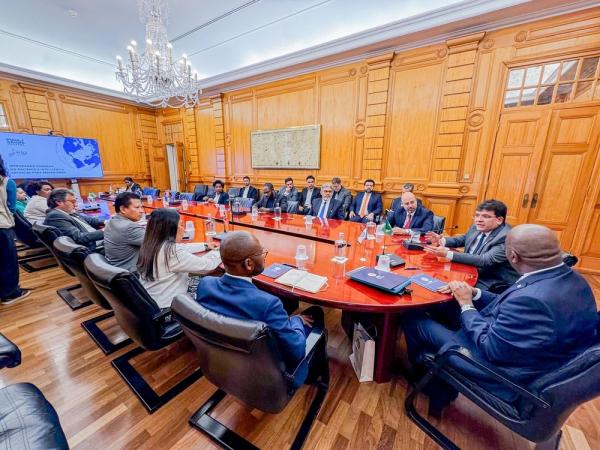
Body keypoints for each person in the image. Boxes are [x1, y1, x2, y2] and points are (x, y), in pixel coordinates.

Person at [403, 224, 599, 405]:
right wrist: (475, 293)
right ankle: (438, 377)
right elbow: (509, 303)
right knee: (443, 306)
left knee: (414, 317)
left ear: (512, 256)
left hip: (501, 370)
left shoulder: (531, 299)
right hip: (531, 350)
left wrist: (466, 305)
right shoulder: (575, 280)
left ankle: (427, 381)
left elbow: (490, 347)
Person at [196, 231, 327, 388]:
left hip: (222, 362)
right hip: (269, 377)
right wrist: (295, 321)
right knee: (315, 312)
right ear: (249, 264)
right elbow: (297, 350)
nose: (264, 256)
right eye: (261, 253)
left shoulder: (205, 284)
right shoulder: (268, 304)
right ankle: (314, 377)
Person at [424, 199, 519, 291]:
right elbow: (464, 239)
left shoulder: (506, 237)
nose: (479, 220)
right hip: (468, 271)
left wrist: (447, 254)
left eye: (485, 216)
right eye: (477, 215)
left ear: (499, 220)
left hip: (490, 281)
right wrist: (441, 240)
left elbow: (485, 260)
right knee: (433, 278)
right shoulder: (476, 226)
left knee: (446, 291)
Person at [137, 208, 221, 308]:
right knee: (213, 286)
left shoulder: (151, 244)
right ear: (170, 229)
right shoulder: (171, 251)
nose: (184, 229)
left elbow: (182, 248)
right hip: (170, 308)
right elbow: (207, 266)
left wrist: (206, 245)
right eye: (181, 225)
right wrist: (220, 250)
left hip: (152, 301)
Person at [0, 156, 31, 304]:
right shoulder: (6, 182)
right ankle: (11, 293)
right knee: (8, 261)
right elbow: (11, 207)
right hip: (1, 227)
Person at [104, 192, 146, 272]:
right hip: (133, 273)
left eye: (141, 207)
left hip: (115, 270)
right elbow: (159, 244)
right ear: (123, 209)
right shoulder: (130, 228)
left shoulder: (111, 221)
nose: (142, 211)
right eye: (137, 207)